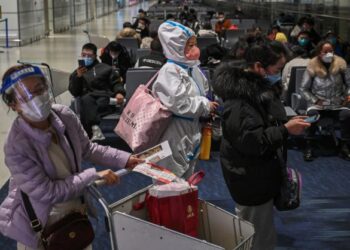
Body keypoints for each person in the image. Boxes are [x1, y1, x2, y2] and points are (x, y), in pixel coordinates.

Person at [0, 64, 143, 249]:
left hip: (75, 212)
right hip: (43, 224)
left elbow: (88, 149)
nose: (37, 98)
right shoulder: (16, 146)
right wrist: (92, 176)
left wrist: (124, 158)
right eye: (27, 95)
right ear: (13, 104)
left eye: (40, 89)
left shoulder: (64, 115)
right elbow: (48, 192)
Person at [212, 44, 311, 250]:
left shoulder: (254, 91)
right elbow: (253, 142)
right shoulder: (240, 102)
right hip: (250, 178)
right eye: (277, 69)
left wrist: (286, 123)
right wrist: (285, 130)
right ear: (259, 66)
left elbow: (262, 124)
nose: (279, 75)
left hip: (258, 174)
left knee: (259, 229)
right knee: (256, 236)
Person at [152, 21, 219, 178]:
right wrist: (205, 105)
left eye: (195, 44)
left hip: (191, 130)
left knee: (187, 178)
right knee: (169, 180)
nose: (195, 49)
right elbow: (180, 104)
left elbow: (203, 92)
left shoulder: (192, 68)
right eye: (189, 45)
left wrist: (207, 109)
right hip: (174, 132)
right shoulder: (169, 72)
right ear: (175, 47)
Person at [300, 41, 350, 161]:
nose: (329, 54)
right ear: (319, 53)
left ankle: (345, 146)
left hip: (337, 104)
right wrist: (315, 100)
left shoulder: (341, 65)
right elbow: (303, 89)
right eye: (325, 52)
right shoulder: (312, 66)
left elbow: (349, 85)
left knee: (347, 114)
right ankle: (309, 146)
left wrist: (347, 97)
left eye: (331, 51)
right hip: (318, 104)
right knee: (312, 116)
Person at [69, 43, 125, 140]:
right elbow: (74, 92)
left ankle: (90, 134)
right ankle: (95, 128)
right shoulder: (77, 73)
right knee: (87, 99)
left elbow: (116, 83)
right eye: (84, 55)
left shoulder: (105, 68)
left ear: (95, 56)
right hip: (88, 100)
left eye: (89, 55)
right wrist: (78, 77)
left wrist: (119, 92)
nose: (86, 57)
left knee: (94, 102)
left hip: (103, 97)